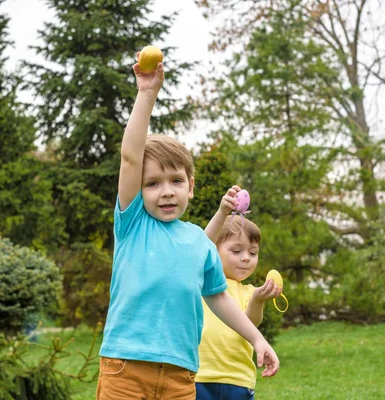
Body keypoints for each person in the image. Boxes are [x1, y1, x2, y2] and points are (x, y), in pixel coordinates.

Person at [95, 59, 279, 400]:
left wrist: (257, 337)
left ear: (190, 186)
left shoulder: (199, 240)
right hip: (126, 367)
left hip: (181, 375)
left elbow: (219, 295)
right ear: (138, 189)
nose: (166, 191)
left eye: (176, 181)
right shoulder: (133, 224)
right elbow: (131, 158)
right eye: (152, 183)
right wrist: (147, 93)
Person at [196, 185, 283, 400]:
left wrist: (258, 300)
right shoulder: (199, 281)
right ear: (214, 251)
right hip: (199, 375)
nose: (246, 257)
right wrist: (222, 212)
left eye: (253, 253)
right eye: (236, 251)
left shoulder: (249, 291)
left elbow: (249, 323)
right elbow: (201, 247)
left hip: (237, 378)